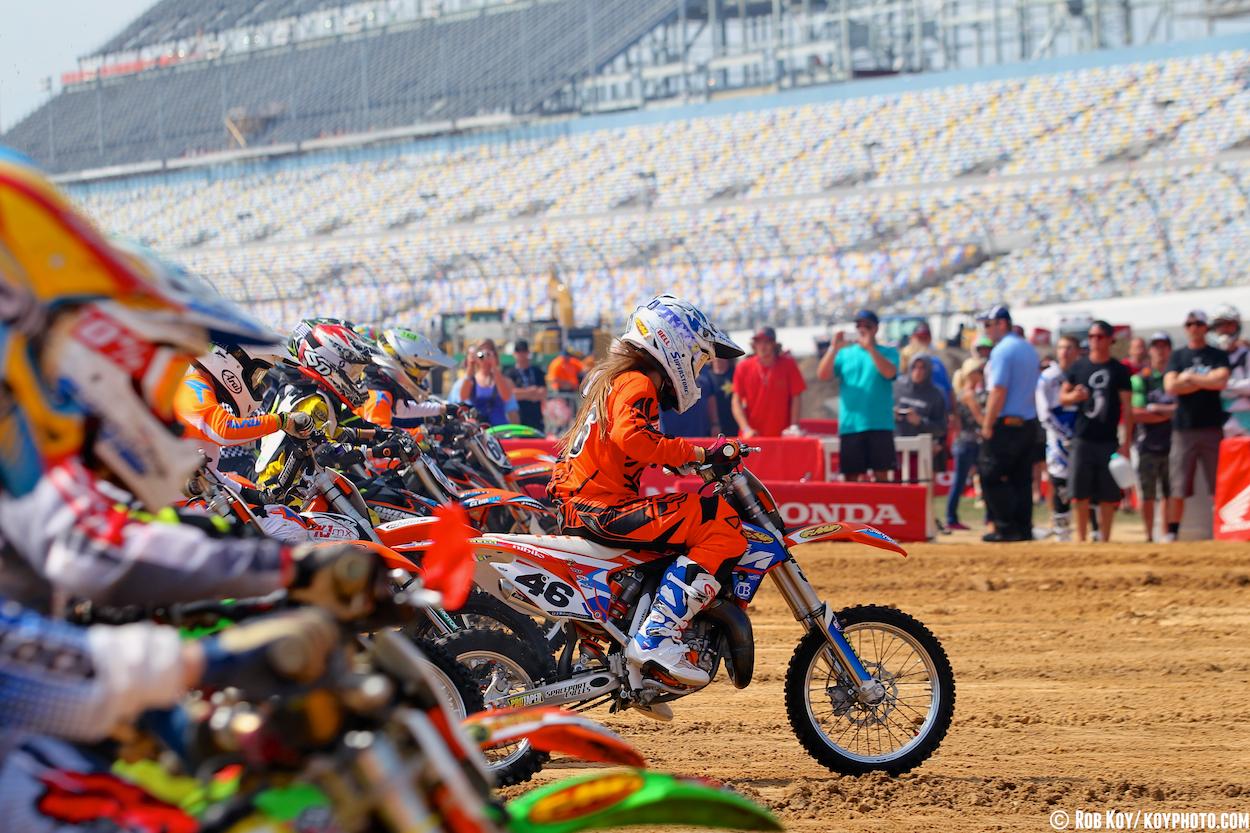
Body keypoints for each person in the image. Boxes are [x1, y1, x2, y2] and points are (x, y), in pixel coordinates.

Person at [548, 295, 745, 688]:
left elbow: (627, 442)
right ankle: (657, 636)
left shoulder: (617, 381)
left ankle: (614, 643)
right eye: (700, 358)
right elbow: (632, 437)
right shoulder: (638, 383)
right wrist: (697, 452)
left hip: (583, 505)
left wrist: (680, 461)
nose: (700, 370)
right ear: (674, 345)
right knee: (718, 520)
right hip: (599, 507)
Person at [175, 338, 313, 469]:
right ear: (234, 363)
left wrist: (242, 489)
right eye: (256, 375)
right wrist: (283, 421)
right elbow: (225, 430)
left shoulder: (198, 387)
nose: (256, 384)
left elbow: (206, 473)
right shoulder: (193, 389)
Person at [1060, 320, 1133, 543]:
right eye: (1091, 337)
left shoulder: (1119, 370)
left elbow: (1127, 409)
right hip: (1082, 438)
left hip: (1108, 440)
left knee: (1108, 495)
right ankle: (1081, 540)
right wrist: (1075, 397)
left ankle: (1105, 540)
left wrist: (1126, 443)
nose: (1094, 341)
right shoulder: (1078, 367)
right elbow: (1063, 398)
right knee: (1079, 493)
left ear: (1110, 340)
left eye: (1100, 336)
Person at [1164, 310, 1230, 542]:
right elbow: (1171, 386)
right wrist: (1203, 381)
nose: (1194, 327)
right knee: (1178, 483)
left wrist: (1190, 379)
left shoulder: (1216, 354)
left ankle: (1221, 530)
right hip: (1184, 428)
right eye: (1190, 323)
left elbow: (1220, 381)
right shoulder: (1178, 355)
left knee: (1218, 484)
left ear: (1205, 327)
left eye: (1198, 323)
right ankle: (1172, 532)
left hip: (1211, 426)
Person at [977, 305, 1041, 542]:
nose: (986, 331)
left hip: (1006, 422)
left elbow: (999, 389)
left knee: (990, 474)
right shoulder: (1028, 348)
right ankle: (1023, 528)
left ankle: (1005, 527)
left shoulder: (1002, 351)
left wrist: (987, 423)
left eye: (988, 326)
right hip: (1027, 421)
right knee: (1021, 478)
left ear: (1001, 324)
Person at [816, 310, 899, 481]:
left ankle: (880, 507)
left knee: (882, 474)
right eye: (858, 326)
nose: (862, 330)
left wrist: (870, 348)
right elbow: (823, 375)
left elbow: (889, 373)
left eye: (867, 326)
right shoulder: (845, 354)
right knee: (851, 476)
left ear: (876, 329)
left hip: (880, 423)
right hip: (851, 424)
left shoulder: (888, 352)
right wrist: (833, 348)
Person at [359, 327, 454, 429]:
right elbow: (379, 435)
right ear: (400, 365)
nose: (421, 378)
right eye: (417, 371)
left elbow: (402, 409)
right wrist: (423, 433)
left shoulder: (385, 387)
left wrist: (442, 408)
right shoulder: (379, 396)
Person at [1131, 332, 1176, 542]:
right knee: (1148, 493)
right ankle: (1149, 535)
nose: (1160, 350)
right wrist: (1169, 413)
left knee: (1169, 491)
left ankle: (1166, 534)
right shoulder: (1142, 379)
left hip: (1172, 443)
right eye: (1156, 346)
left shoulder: (1175, 376)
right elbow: (1137, 412)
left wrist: (1157, 409)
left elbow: (1183, 410)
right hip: (1147, 444)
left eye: (1164, 346)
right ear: (1150, 350)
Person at [1036, 335, 1080, 541]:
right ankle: (1061, 530)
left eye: (1070, 347)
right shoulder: (1047, 378)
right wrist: (1064, 434)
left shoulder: (1083, 373)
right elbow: (1044, 413)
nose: (1065, 352)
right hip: (1057, 439)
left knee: (1084, 483)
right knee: (1059, 480)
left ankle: (1089, 529)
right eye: (1062, 347)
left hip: (1082, 437)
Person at [732, 326, 807, 438]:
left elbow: (796, 396)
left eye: (767, 342)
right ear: (754, 345)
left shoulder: (788, 365)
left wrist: (794, 426)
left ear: (774, 344)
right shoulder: (743, 367)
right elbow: (736, 401)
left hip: (782, 435)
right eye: (759, 342)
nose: (763, 346)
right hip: (753, 436)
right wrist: (746, 428)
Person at [946, 358, 986, 531]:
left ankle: (953, 518)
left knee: (966, 482)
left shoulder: (961, 393)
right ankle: (952, 517)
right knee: (962, 482)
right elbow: (980, 420)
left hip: (966, 441)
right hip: (968, 442)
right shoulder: (967, 395)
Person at [894, 353, 948, 474]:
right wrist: (892, 415)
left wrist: (920, 422)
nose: (917, 371)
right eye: (914, 367)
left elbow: (941, 428)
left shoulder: (936, 394)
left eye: (922, 368)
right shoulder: (897, 387)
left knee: (919, 489)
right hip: (896, 449)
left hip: (921, 451)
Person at [456, 338, 517, 426]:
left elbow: (506, 397)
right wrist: (470, 366)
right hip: (479, 428)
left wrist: (494, 366)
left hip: (500, 428)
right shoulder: (472, 380)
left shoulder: (504, 380)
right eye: (481, 351)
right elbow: (463, 396)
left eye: (489, 351)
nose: (484, 355)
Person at [1213, 305, 1250, 437]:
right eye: (1220, 325)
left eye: (1229, 324)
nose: (1225, 329)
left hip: (1245, 423)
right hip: (1216, 423)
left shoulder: (1246, 355)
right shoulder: (1209, 355)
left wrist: (1223, 384)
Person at [660, 360, 717, 438]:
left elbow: (711, 399)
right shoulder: (663, 365)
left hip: (699, 430)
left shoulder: (705, 369)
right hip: (670, 429)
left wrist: (715, 424)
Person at [900, 322, 952, 399]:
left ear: (930, 339)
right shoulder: (906, 357)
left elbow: (948, 389)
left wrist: (953, 410)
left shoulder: (937, 362)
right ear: (912, 338)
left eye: (926, 337)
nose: (923, 341)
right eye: (920, 337)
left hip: (937, 406)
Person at [507, 338, 547, 432]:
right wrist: (532, 391)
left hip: (536, 418)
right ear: (514, 353)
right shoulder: (510, 373)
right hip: (518, 418)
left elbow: (542, 393)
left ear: (528, 353)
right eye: (518, 351)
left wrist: (523, 394)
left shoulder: (537, 371)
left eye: (524, 351)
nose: (521, 354)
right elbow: (512, 394)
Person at [707, 356, 739, 436]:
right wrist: (714, 424)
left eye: (721, 355)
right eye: (716, 355)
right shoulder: (706, 376)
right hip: (712, 427)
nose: (718, 358)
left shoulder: (736, 374)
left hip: (734, 425)